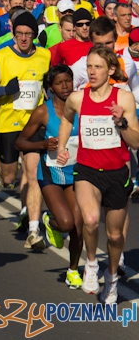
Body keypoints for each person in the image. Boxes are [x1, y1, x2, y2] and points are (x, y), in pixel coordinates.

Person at [57, 47, 139, 303]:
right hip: (87, 170)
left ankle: (112, 278)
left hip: (116, 172)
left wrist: (121, 123)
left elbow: (135, 142)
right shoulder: (77, 98)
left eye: (98, 67)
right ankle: (91, 263)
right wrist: (61, 146)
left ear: (111, 70)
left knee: (115, 235)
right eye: (89, 67)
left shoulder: (124, 98)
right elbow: (67, 120)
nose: (92, 72)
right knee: (91, 219)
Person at [0, 12, 51, 249]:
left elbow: (48, 86)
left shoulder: (45, 55)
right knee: (9, 179)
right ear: (13, 34)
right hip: (8, 122)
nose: (23, 38)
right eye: (19, 33)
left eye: (28, 34)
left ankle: (34, 231)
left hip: (34, 123)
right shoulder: (0, 55)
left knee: (33, 175)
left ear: (34, 35)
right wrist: (4, 91)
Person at [15, 65, 84, 289]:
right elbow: (20, 142)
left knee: (79, 226)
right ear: (50, 88)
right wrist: (42, 144)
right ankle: (50, 222)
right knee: (65, 223)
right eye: (59, 83)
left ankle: (73, 270)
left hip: (75, 173)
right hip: (51, 173)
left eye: (68, 81)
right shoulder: (43, 112)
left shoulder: (82, 106)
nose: (65, 86)